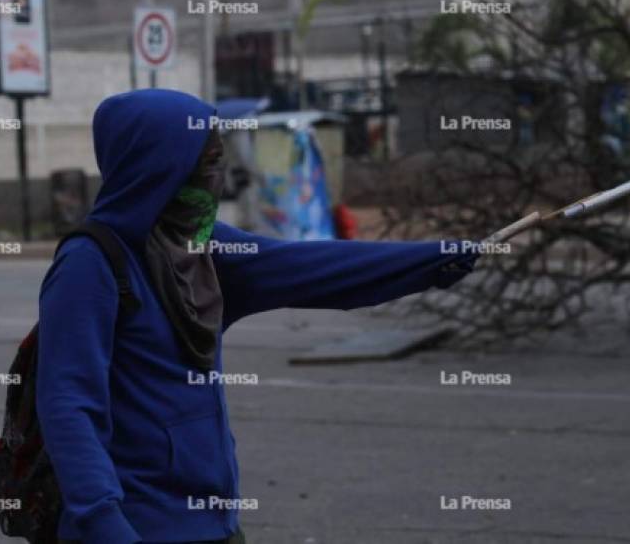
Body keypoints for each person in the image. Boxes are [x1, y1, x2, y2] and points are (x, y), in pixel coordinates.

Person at [37, 89, 478, 544]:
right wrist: (102, 522)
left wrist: (433, 260)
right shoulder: (89, 264)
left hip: (214, 523)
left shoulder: (202, 248)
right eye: (205, 163)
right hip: (136, 529)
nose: (218, 177)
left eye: (218, 160)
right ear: (159, 166)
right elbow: (68, 403)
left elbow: (316, 268)